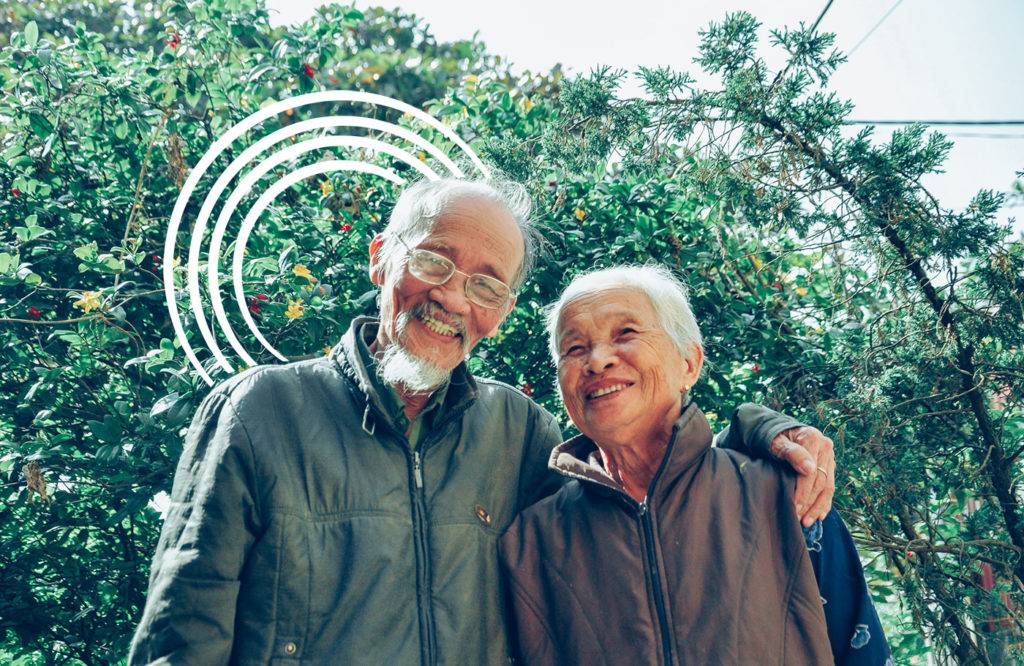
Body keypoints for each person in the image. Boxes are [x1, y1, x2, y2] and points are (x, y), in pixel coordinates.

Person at [129, 178, 838, 664]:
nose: (452, 297)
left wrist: (758, 430)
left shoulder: (520, 432)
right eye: (434, 259)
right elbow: (181, 633)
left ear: (500, 311)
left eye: (486, 284)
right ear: (382, 260)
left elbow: (654, 484)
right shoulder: (261, 412)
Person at [499, 264, 890, 665]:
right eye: (575, 348)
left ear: (689, 364)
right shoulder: (531, 541)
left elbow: (863, 651)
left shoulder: (785, 495)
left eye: (626, 334)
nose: (597, 361)